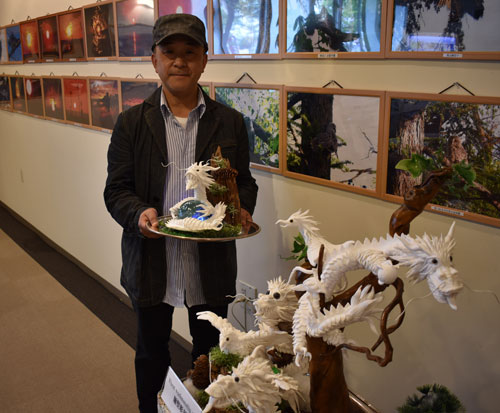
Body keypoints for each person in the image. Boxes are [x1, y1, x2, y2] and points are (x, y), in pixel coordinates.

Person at [103, 14, 258, 413]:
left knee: (209, 357)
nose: (179, 61)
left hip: (210, 264)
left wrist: (242, 209)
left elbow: (245, 183)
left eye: (190, 52)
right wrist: (139, 213)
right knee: (151, 352)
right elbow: (116, 190)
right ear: (154, 59)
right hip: (151, 259)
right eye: (169, 52)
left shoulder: (230, 122)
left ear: (204, 60)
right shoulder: (131, 123)